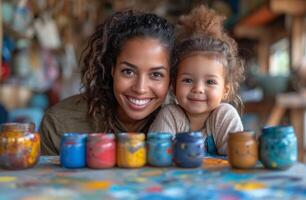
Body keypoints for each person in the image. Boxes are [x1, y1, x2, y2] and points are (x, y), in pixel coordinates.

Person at [40, 10, 174, 155]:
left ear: (171, 78)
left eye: (156, 74)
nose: (140, 89)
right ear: (112, 69)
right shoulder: (61, 124)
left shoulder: (186, 126)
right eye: (128, 72)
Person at [149, 5, 245, 155]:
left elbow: (238, 157)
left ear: (226, 90)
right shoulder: (170, 116)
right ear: (174, 85)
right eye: (187, 80)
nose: (198, 89)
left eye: (210, 82)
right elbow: (157, 156)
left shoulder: (225, 116)